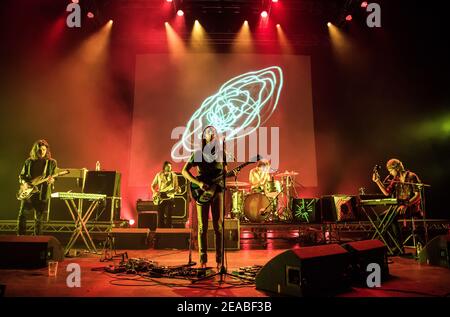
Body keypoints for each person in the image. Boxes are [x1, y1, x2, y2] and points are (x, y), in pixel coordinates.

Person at [182, 126, 235, 269]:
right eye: (208, 132)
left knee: (218, 227)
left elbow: (224, 173)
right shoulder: (198, 153)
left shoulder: (221, 153)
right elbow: (184, 171)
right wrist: (198, 183)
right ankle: (203, 261)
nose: (211, 134)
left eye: (213, 133)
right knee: (202, 227)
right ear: (204, 137)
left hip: (217, 192)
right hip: (202, 193)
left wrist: (229, 174)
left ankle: (219, 261)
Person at [372, 158, 422, 253]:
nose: (390, 173)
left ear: (396, 168)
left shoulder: (411, 176)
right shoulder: (396, 179)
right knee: (381, 217)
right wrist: (377, 181)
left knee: (392, 217)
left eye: (390, 170)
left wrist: (406, 205)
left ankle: (398, 246)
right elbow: (387, 193)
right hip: (399, 207)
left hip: (411, 207)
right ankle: (389, 245)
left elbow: (418, 195)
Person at [17, 139, 57, 236]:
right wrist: (25, 183)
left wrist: (52, 180)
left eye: (44, 150)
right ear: (35, 150)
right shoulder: (29, 161)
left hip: (42, 194)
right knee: (22, 216)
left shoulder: (51, 163)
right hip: (29, 193)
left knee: (38, 219)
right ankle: (20, 238)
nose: (42, 152)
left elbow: (54, 177)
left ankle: (37, 241)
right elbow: (22, 176)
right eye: (40, 150)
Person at [151, 161, 179, 228]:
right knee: (160, 214)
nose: (170, 167)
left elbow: (176, 187)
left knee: (169, 214)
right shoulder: (159, 175)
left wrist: (177, 190)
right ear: (164, 166)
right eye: (168, 166)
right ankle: (160, 230)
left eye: (171, 166)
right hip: (161, 197)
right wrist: (155, 192)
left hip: (170, 197)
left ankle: (168, 230)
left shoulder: (174, 175)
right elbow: (152, 185)